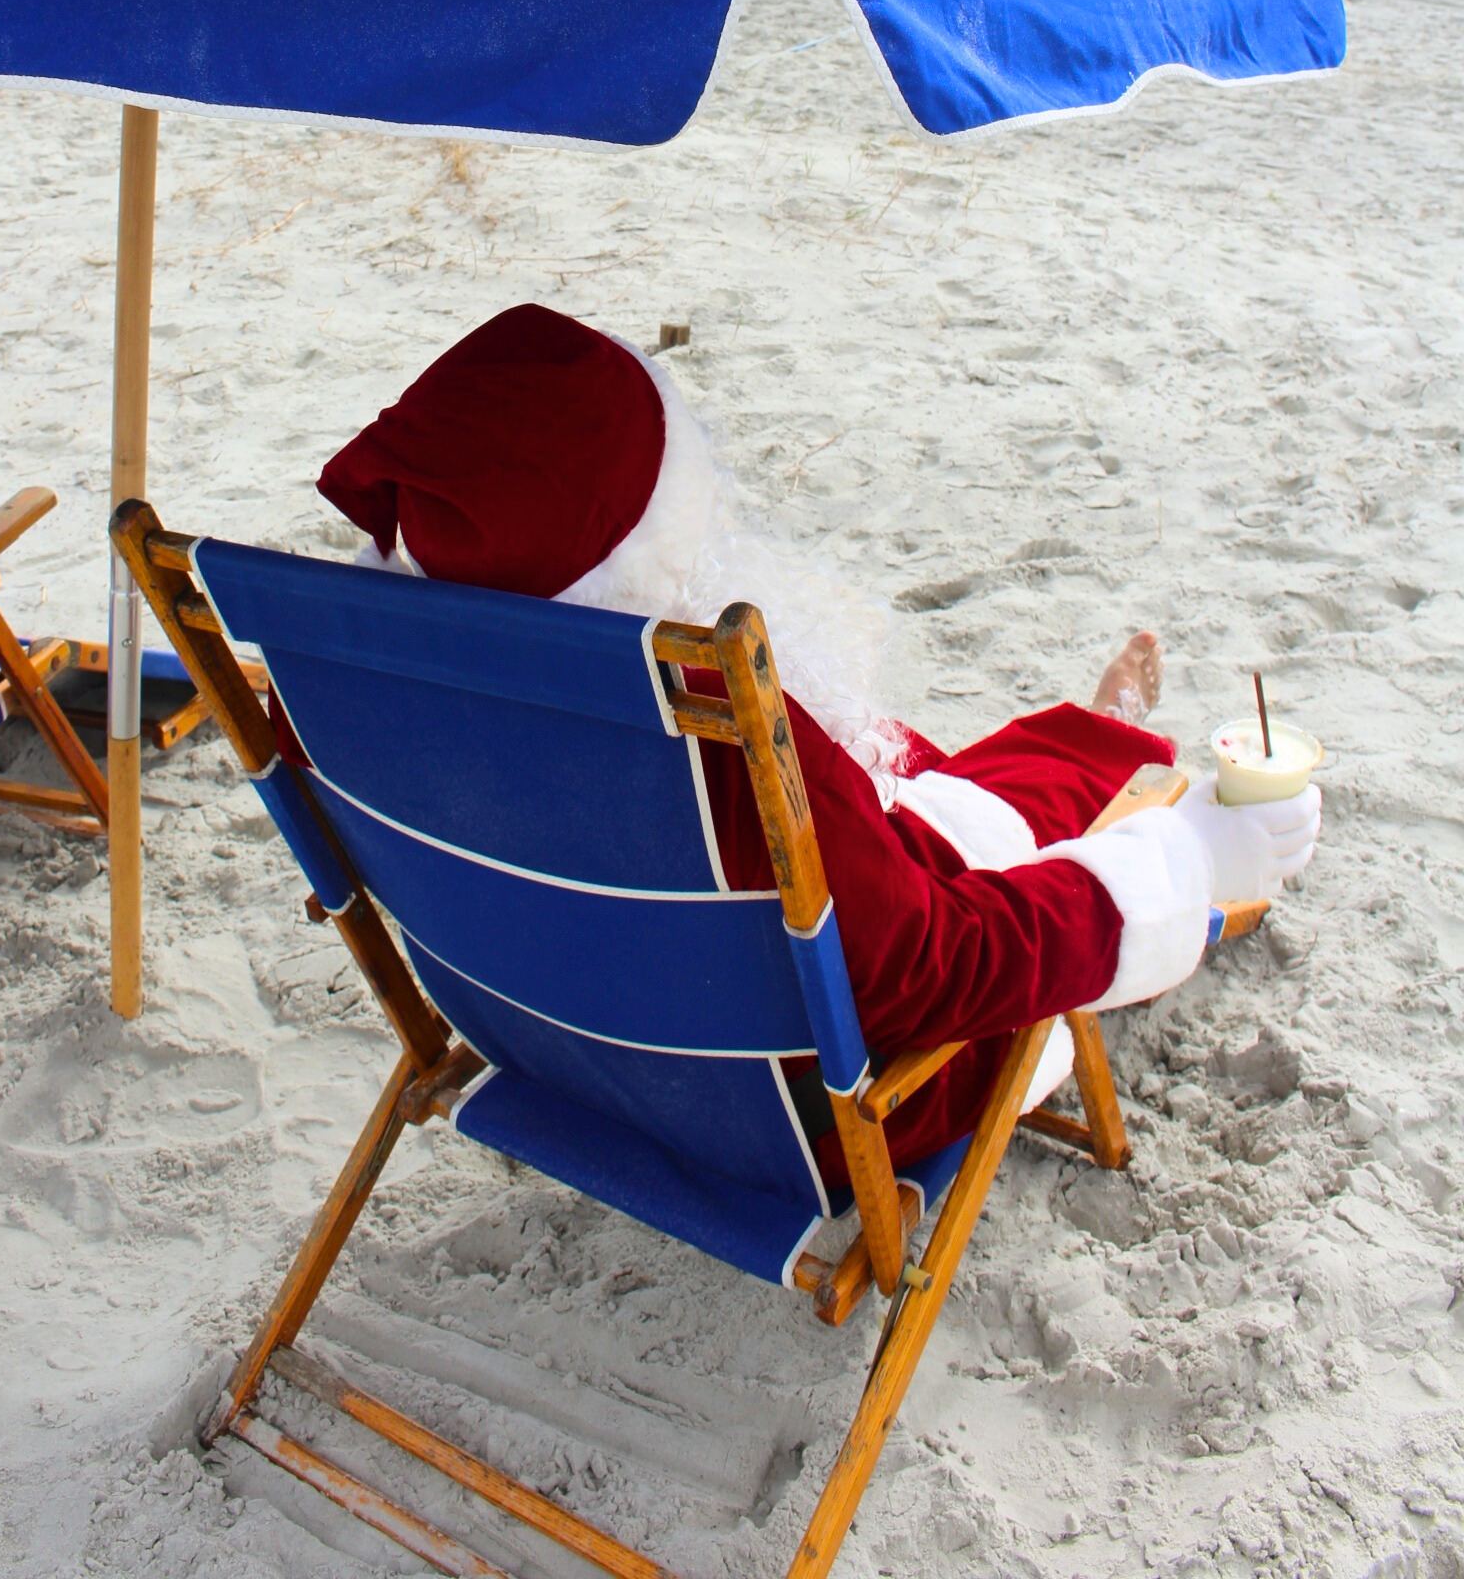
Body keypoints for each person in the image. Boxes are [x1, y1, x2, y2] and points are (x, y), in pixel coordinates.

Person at [303, 304, 1322, 1182]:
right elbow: (937, 968)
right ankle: (1168, 817)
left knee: (911, 777)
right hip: (817, 1115)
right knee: (998, 827)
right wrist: (1182, 864)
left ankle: (1103, 745)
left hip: (567, 1047)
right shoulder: (721, 745)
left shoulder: (375, 699)